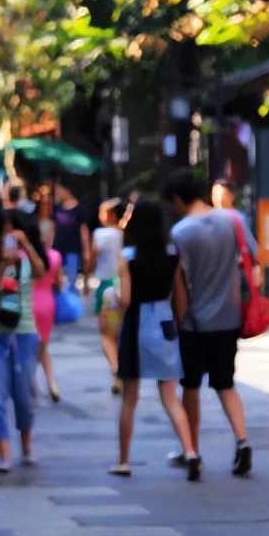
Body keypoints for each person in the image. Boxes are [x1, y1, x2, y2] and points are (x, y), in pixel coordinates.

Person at [160, 169, 253, 478]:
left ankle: (193, 451)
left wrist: (178, 319)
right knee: (226, 383)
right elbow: (252, 258)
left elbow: (180, 283)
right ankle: (242, 440)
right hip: (229, 317)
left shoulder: (180, 233)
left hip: (194, 323)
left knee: (191, 386)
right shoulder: (233, 220)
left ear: (177, 199)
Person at [108, 198, 200, 480]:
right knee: (170, 396)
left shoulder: (127, 257)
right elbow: (180, 297)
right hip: (164, 320)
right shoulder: (172, 254)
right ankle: (190, 452)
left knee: (130, 397)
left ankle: (124, 460)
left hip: (137, 322)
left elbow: (125, 299)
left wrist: (113, 297)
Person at [0, 208, 47, 472]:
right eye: (4, 236)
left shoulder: (26, 258)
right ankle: (4, 454)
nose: (9, 240)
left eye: (13, 235)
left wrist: (27, 246)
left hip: (24, 331)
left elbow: (41, 272)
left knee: (24, 396)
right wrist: (2, 265)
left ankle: (27, 446)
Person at [12, 209, 61, 403]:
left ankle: (32, 384)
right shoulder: (54, 256)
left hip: (29, 303)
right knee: (43, 347)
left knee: (28, 347)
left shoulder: (19, 256)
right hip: (47, 303)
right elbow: (59, 283)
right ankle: (52, 383)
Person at [90, 198, 127, 393]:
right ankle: (120, 370)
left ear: (112, 215)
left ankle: (115, 367)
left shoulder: (101, 233)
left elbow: (92, 257)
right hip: (125, 287)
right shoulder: (127, 233)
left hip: (107, 289)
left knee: (107, 334)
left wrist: (86, 276)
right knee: (120, 331)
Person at [50, 180, 91, 294]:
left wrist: (86, 249)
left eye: (59, 190)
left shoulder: (79, 209)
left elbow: (83, 230)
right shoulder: (57, 208)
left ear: (67, 190)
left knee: (71, 278)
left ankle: (72, 299)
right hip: (58, 247)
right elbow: (53, 229)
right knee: (56, 278)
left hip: (73, 248)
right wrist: (49, 247)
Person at [210, 179, 258, 260]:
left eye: (222, 195)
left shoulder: (239, 218)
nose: (219, 199)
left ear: (231, 196)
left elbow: (252, 247)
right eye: (215, 195)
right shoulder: (206, 218)